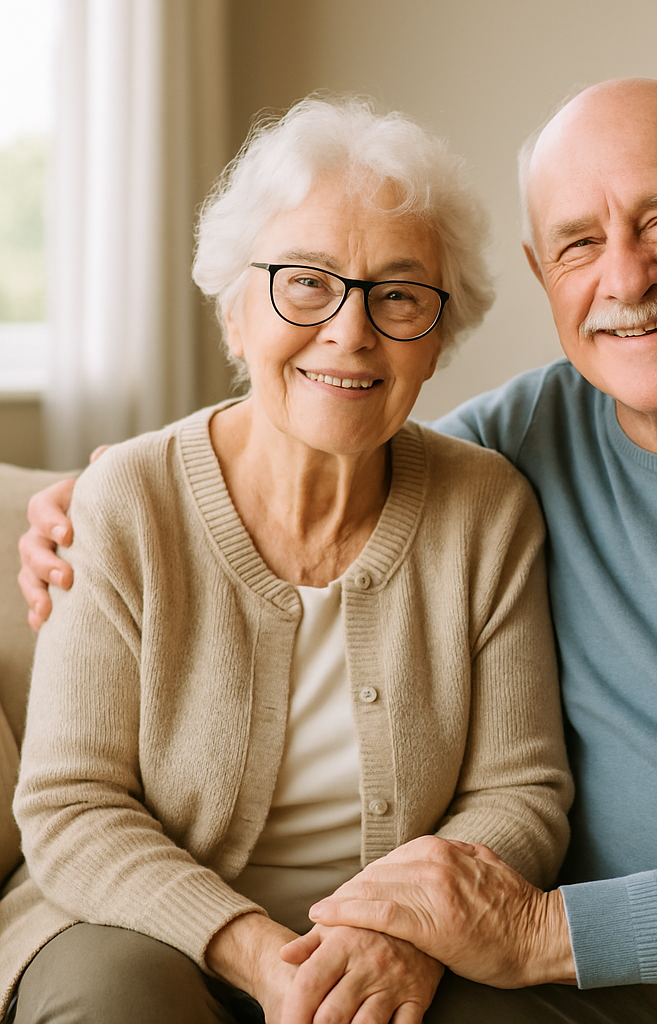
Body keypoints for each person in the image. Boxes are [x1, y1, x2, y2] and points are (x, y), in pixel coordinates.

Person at [19, 78, 657, 1023]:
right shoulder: (512, 446)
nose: (627, 276)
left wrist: (545, 930)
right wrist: (89, 497)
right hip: (607, 970)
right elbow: (335, 443)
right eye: (581, 242)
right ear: (546, 274)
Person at [3, 95, 572, 1024]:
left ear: (437, 340)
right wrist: (267, 959)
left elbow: (522, 793)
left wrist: (398, 935)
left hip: (401, 955)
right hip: (132, 928)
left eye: (399, 295)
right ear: (236, 316)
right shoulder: (127, 502)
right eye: (306, 282)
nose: (350, 331)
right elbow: (72, 804)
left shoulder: (487, 509)